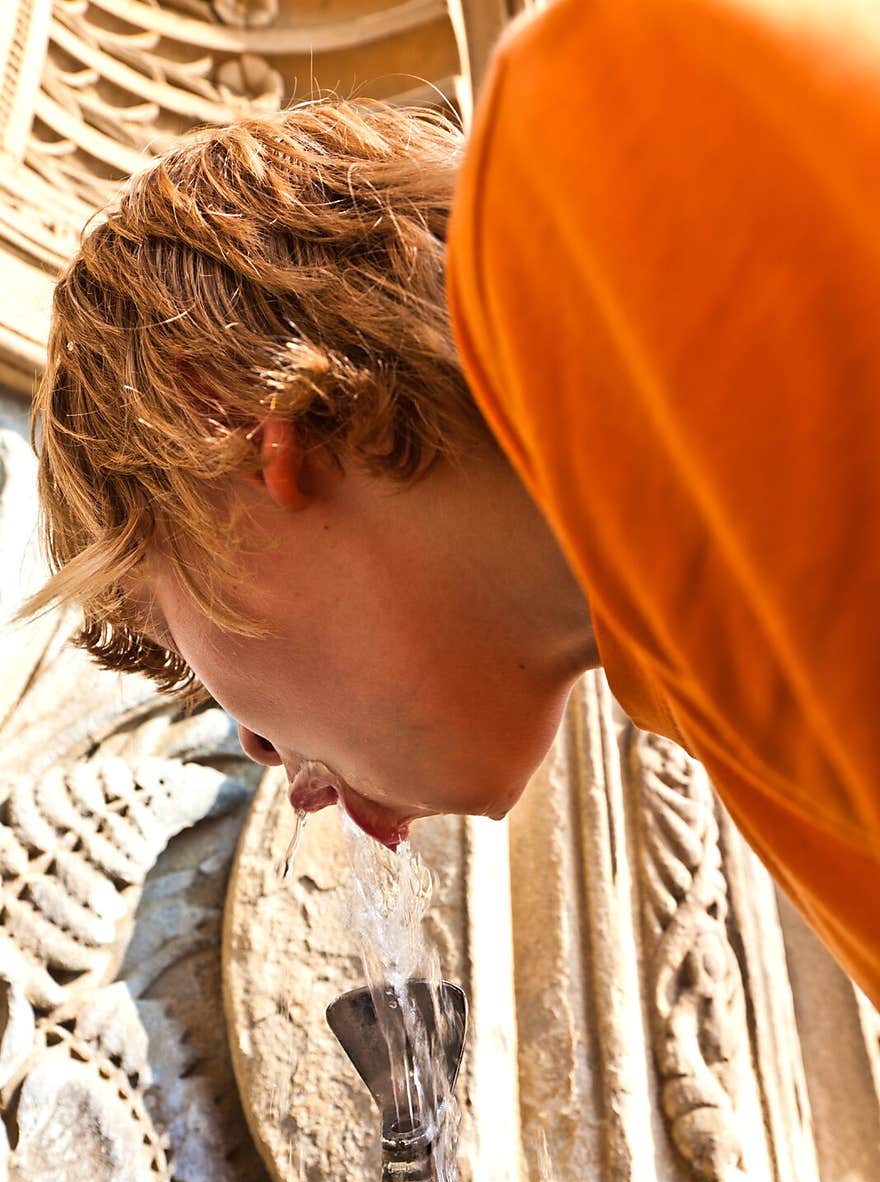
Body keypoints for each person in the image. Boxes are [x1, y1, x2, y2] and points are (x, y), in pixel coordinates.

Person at [20, 0, 880, 1006]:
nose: (257, 751)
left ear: (237, 426)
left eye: (189, 660)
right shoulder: (694, 676)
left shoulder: (628, 102)